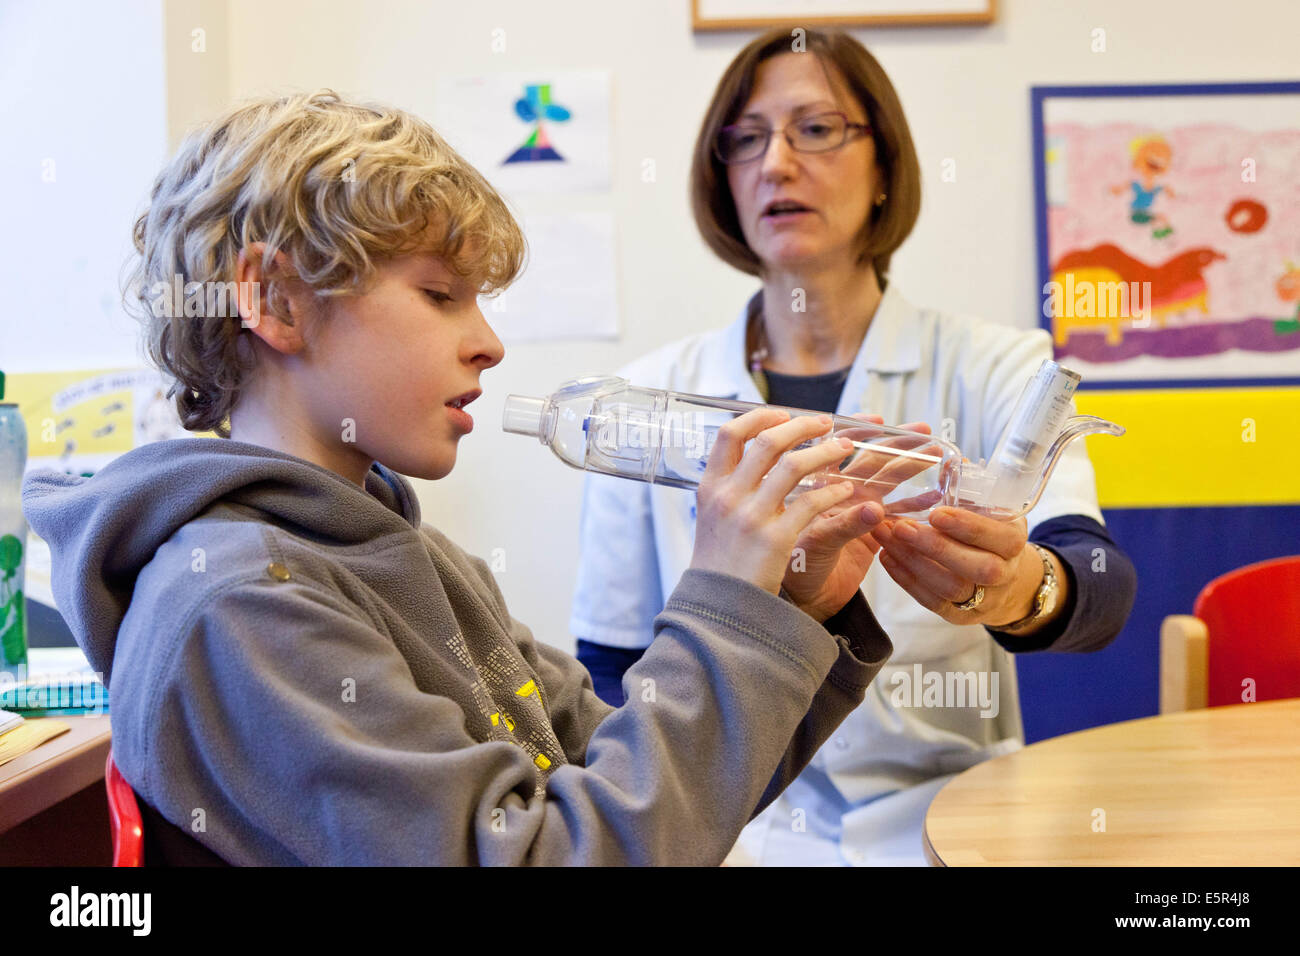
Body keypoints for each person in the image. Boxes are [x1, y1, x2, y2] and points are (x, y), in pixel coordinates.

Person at [20, 90, 897, 866]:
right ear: (276, 300)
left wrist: (787, 607)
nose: (489, 341)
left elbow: (649, 798)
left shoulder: (408, 555)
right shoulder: (243, 605)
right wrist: (725, 603)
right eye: (441, 294)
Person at [571, 28, 1137, 866]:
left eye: (817, 128)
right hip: (731, 836)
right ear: (722, 177)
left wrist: (1018, 587)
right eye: (747, 138)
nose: (777, 163)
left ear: (885, 168)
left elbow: (1099, 589)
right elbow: (611, 672)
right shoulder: (646, 401)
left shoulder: (993, 366)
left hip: (948, 823)